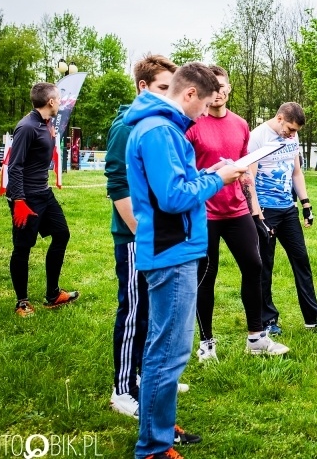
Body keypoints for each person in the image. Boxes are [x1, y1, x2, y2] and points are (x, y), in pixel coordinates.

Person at [125, 62, 246, 459]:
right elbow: (173, 197)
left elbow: (178, 181)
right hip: (171, 250)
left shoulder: (162, 127)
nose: (203, 115)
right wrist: (220, 179)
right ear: (190, 94)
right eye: (205, 103)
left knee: (162, 350)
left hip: (171, 247)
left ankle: (157, 429)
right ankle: (155, 447)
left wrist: (210, 170)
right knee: (169, 353)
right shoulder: (160, 131)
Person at [186, 66, 289, 360]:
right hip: (205, 212)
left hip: (237, 209)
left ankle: (256, 338)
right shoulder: (193, 123)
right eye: (212, 86)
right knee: (207, 275)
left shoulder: (241, 125)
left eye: (222, 86)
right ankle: (206, 343)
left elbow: (245, 170)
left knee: (254, 266)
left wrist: (254, 208)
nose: (218, 92)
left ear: (229, 89)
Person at [106, 54, 185, 418]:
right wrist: (142, 233)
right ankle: (123, 388)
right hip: (136, 238)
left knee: (155, 310)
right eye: (162, 89)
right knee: (135, 309)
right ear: (143, 87)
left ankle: (147, 375)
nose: (170, 96)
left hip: (160, 235)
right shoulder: (126, 125)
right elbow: (118, 184)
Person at [246, 102, 317, 334]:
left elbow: (296, 171)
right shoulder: (257, 137)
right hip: (265, 210)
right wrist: (258, 217)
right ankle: (268, 320)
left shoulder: (291, 138)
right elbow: (249, 179)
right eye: (290, 128)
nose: (292, 134)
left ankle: (313, 315)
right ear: (279, 118)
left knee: (301, 261)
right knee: (264, 267)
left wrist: (306, 203)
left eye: (296, 131)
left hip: (288, 209)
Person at [7, 82, 78, 317]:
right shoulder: (26, 127)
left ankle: (53, 294)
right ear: (50, 102)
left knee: (61, 234)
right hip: (26, 198)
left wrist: (50, 134)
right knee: (23, 248)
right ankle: (22, 302)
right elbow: (14, 166)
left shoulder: (44, 123)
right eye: (58, 99)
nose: (60, 102)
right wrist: (18, 200)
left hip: (44, 193)